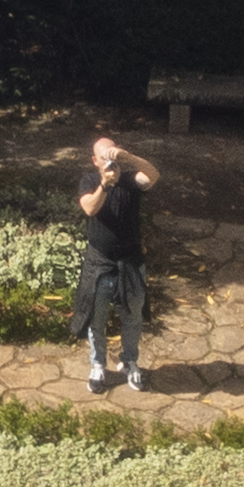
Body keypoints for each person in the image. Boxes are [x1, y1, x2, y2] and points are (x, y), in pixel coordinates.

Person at [73, 131, 155, 393]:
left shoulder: (131, 180)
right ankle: (98, 364)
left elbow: (154, 175)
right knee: (96, 319)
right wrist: (106, 185)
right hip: (100, 262)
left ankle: (129, 361)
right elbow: (89, 208)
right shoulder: (89, 180)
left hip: (130, 261)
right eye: (103, 158)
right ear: (94, 161)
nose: (109, 162)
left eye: (112, 156)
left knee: (132, 316)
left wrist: (128, 157)